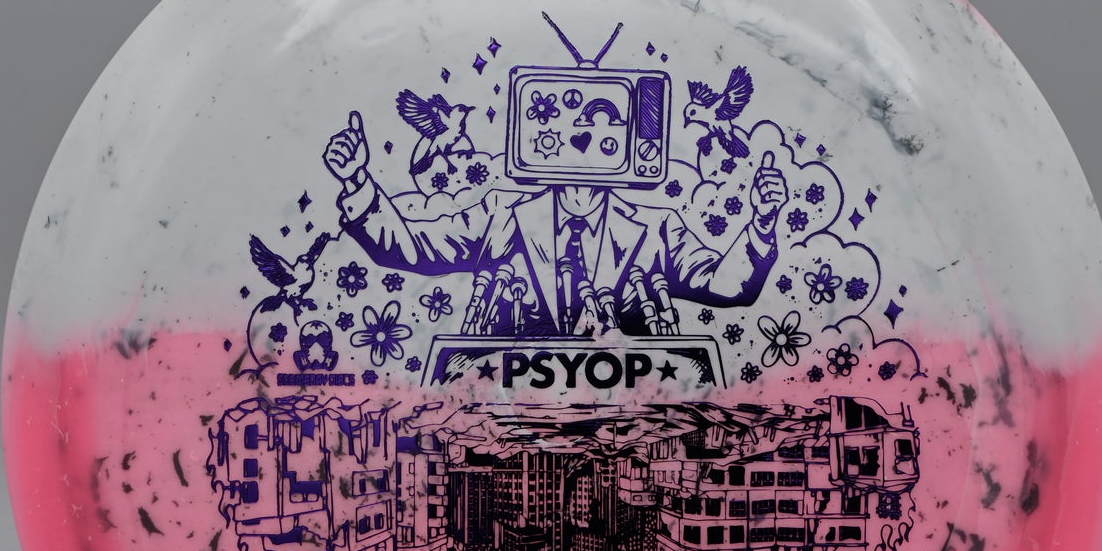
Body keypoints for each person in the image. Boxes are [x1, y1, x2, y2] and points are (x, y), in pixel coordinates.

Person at [321, 111, 786, 337]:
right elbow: (414, 249)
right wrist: (358, 182)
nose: (589, 143)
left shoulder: (657, 228)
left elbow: (726, 287)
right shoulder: (500, 216)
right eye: (578, 130)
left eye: (608, 133)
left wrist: (763, 223)